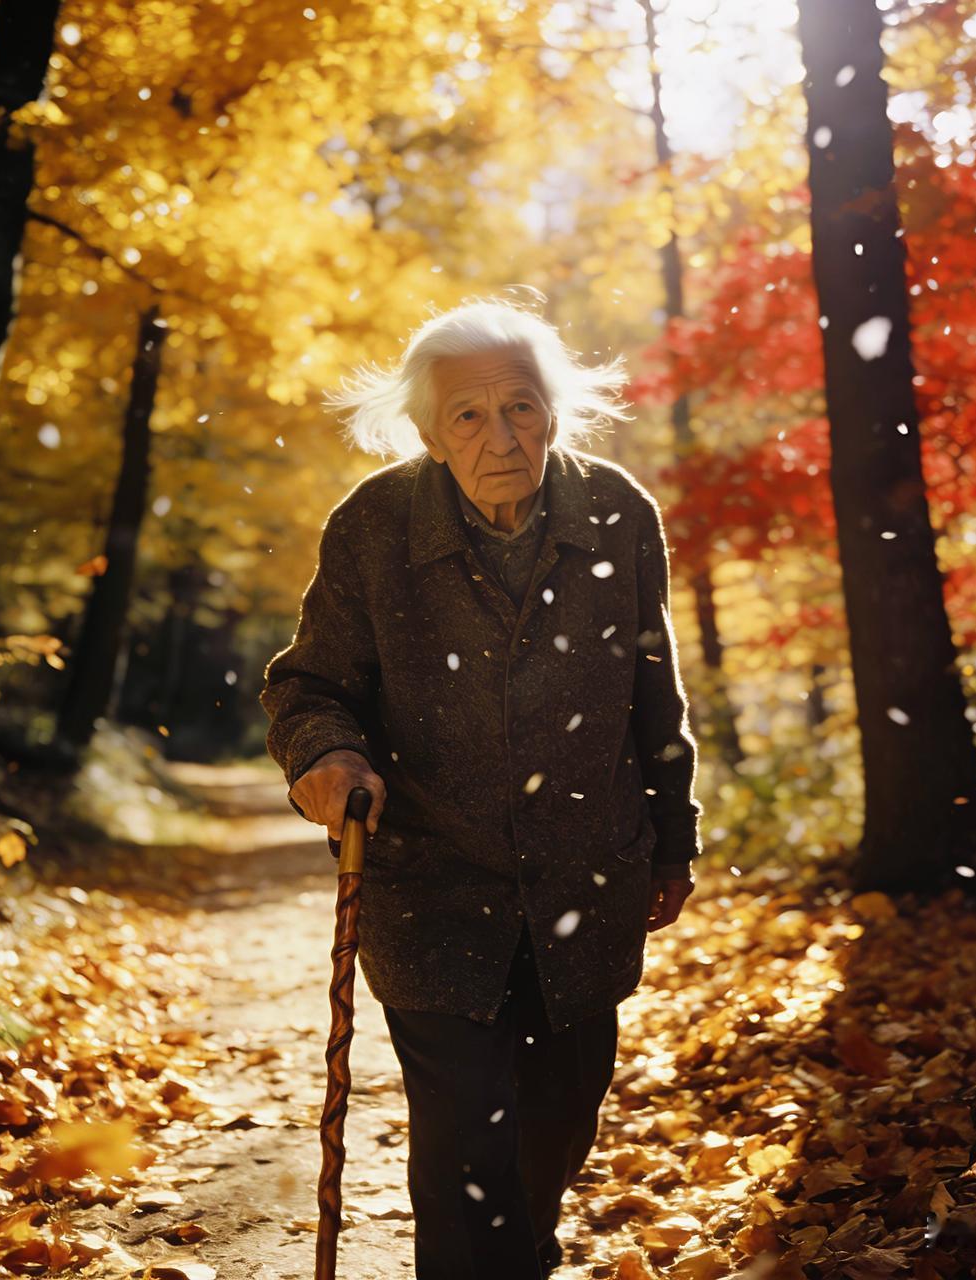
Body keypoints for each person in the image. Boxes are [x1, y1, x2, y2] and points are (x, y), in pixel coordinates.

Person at [260, 291, 702, 1278]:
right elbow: (309, 683)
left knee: (552, 1134)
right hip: (431, 892)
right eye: (467, 413)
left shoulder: (617, 512)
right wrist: (325, 755)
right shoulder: (375, 526)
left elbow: (652, 694)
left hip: (587, 886)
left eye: (521, 406)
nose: (500, 434)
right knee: (465, 1150)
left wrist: (674, 842)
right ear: (425, 429)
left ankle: (522, 1251)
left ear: (554, 409)